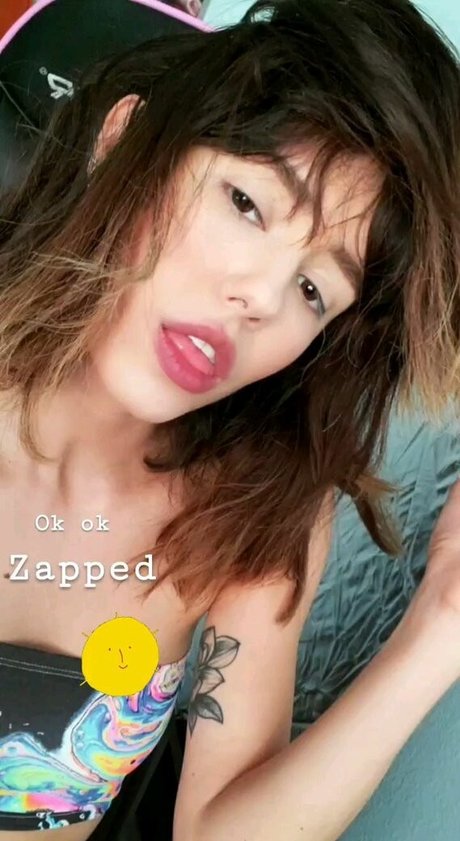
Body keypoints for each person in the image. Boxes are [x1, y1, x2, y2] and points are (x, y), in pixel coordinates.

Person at [0, 0, 459, 839]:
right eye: (247, 202)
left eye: (314, 289)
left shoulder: (250, 513)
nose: (260, 297)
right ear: (126, 140)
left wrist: (441, 626)